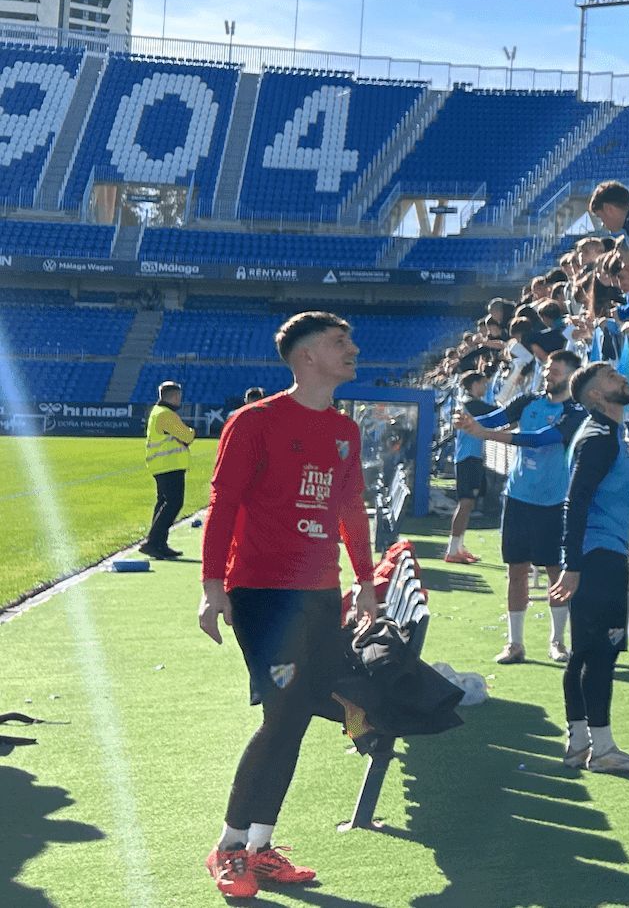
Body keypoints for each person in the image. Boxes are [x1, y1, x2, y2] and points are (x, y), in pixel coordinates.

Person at [197, 312, 378, 902]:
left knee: (294, 717)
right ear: (305, 358)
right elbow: (222, 505)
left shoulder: (346, 431)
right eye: (338, 342)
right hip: (262, 595)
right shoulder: (254, 422)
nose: (352, 349)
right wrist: (211, 585)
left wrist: (367, 581)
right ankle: (227, 849)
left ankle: (260, 848)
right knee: (282, 715)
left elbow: (351, 510)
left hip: (320, 593)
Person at [548, 363, 629, 775]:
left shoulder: (604, 433)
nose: (622, 379)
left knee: (584, 652)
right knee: (601, 655)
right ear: (595, 396)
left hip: (596, 556)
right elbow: (574, 503)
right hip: (600, 559)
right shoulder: (599, 438)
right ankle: (604, 750)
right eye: (611, 378)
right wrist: (573, 566)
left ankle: (578, 744)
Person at [456, 348, 586, 665]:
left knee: (555, 570)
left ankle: (557, 642)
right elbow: (496, 418)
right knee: (516, 570)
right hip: (518, 498)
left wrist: (485, 433)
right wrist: (470, 421)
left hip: (554, 502)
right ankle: (515, 643)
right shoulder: (528, 401)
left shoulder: (576, 412)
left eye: (554, 371)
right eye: (546, 370)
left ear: (571, 375)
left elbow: (542, 439)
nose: (547, 375)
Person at [441, 365, 492, 564]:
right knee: (465, 503)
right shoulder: (471, 404)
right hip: (467, 458)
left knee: (468, 504)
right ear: (475, 384)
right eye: (483, 384)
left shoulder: (470, 404)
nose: (486, 388)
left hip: (472, 457)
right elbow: (500, 413)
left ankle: (458, 547)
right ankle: (453, 550)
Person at [140, 380, 194, 560]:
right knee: (173, 503)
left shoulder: (158, 412)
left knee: (163, 503)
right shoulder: (167, 415)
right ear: (175, 396)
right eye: (179, 396)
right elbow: (187, 436)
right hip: (169, 465)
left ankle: (159, 543)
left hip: (161, 464)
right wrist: (190, 432)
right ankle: (153, 541)